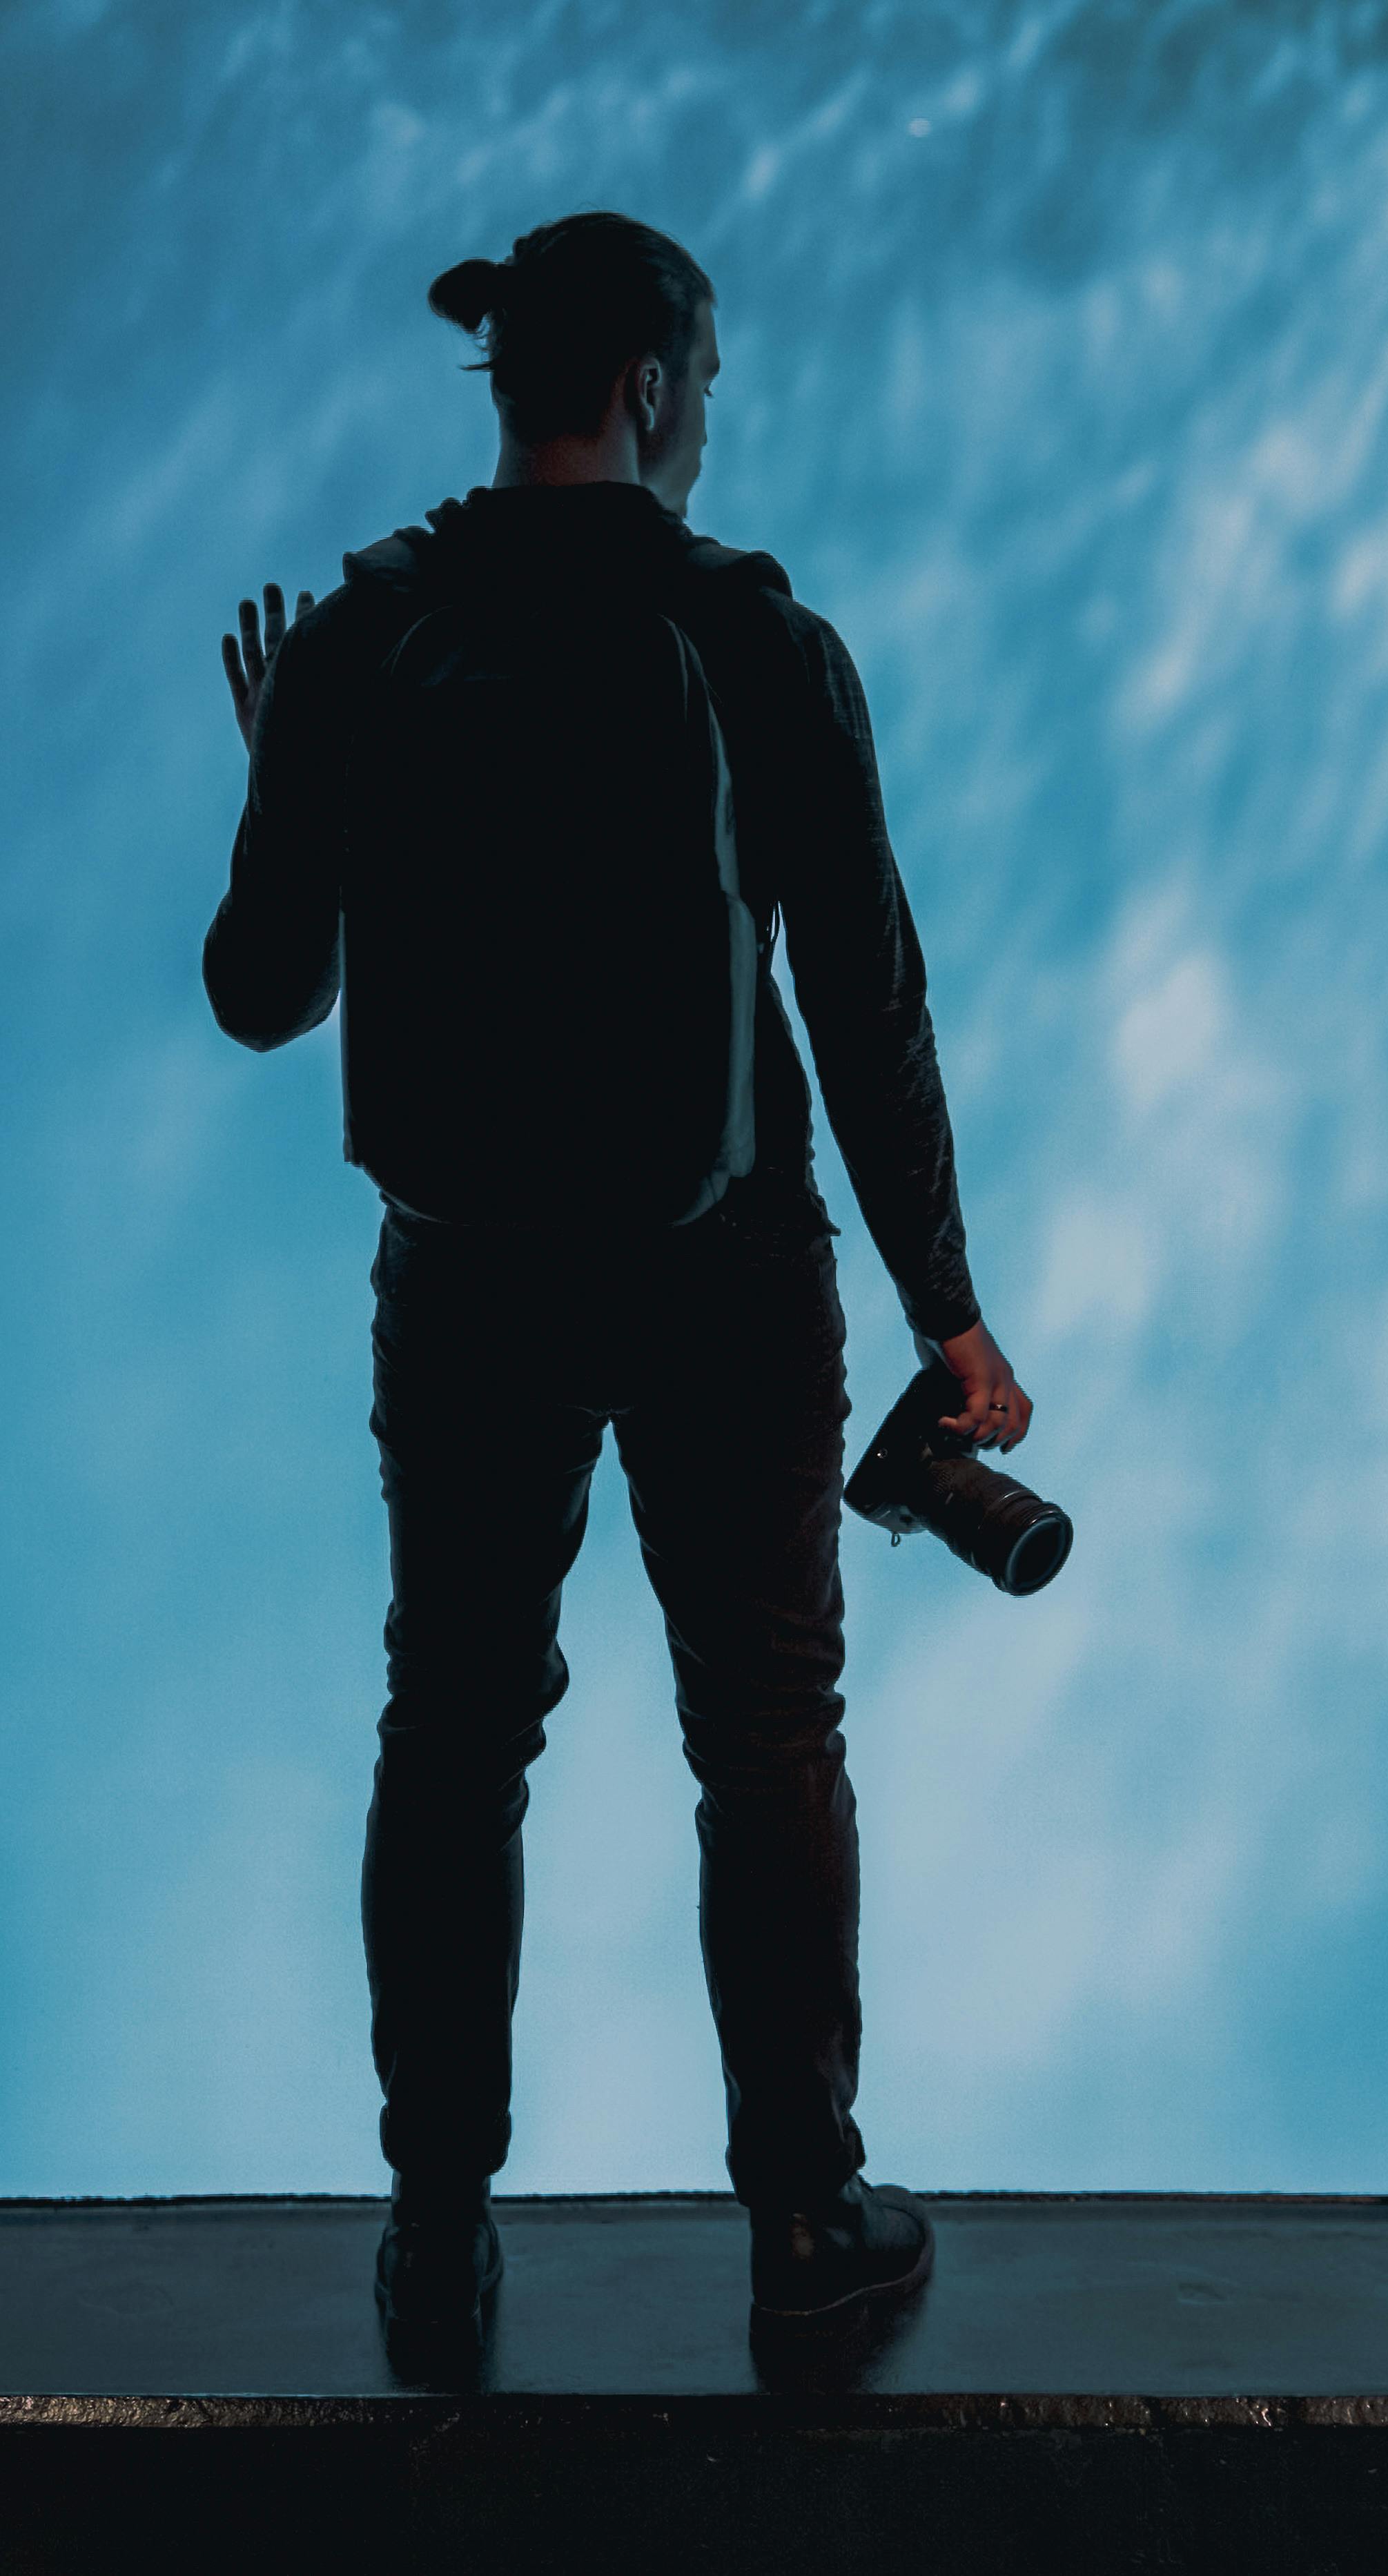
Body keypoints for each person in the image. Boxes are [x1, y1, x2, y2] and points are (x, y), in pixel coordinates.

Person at [208, 208, 1033, 2341]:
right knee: (765, 1733)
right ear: (656, 389)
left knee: (455, 1729)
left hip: (462, 1270)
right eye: (713, 391)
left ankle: (431, 2226)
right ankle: (801, 2217)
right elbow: (865, 999)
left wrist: (288, 795)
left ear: (509, 381)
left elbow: (258, 995)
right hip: (728, 1268)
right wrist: (947, 1307)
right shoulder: (757, 634)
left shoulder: (362, 635)